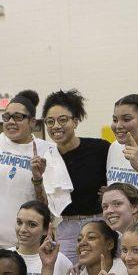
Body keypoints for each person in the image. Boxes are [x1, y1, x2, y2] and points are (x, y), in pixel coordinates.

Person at [0, 90, 72, 253]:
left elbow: (53, 209)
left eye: (18, 117)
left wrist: (38, 180)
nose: (11, 122)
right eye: (6, 117)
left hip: (32, 246)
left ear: (32, 122)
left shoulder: (47, 151)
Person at [42, 89, 110, 260]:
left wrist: (112, 191)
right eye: (50, 121)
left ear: (76, 121)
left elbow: (118, 180)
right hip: (65, 228)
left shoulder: (100, 149)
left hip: (98, 224)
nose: (56, 126)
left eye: (62, 120)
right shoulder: (46, 158)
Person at [8, 201, 72, 275]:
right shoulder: (3, 256)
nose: (23, 229)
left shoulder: (60, 261)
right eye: (19, 222)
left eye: (32, 225)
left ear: (46, 229)